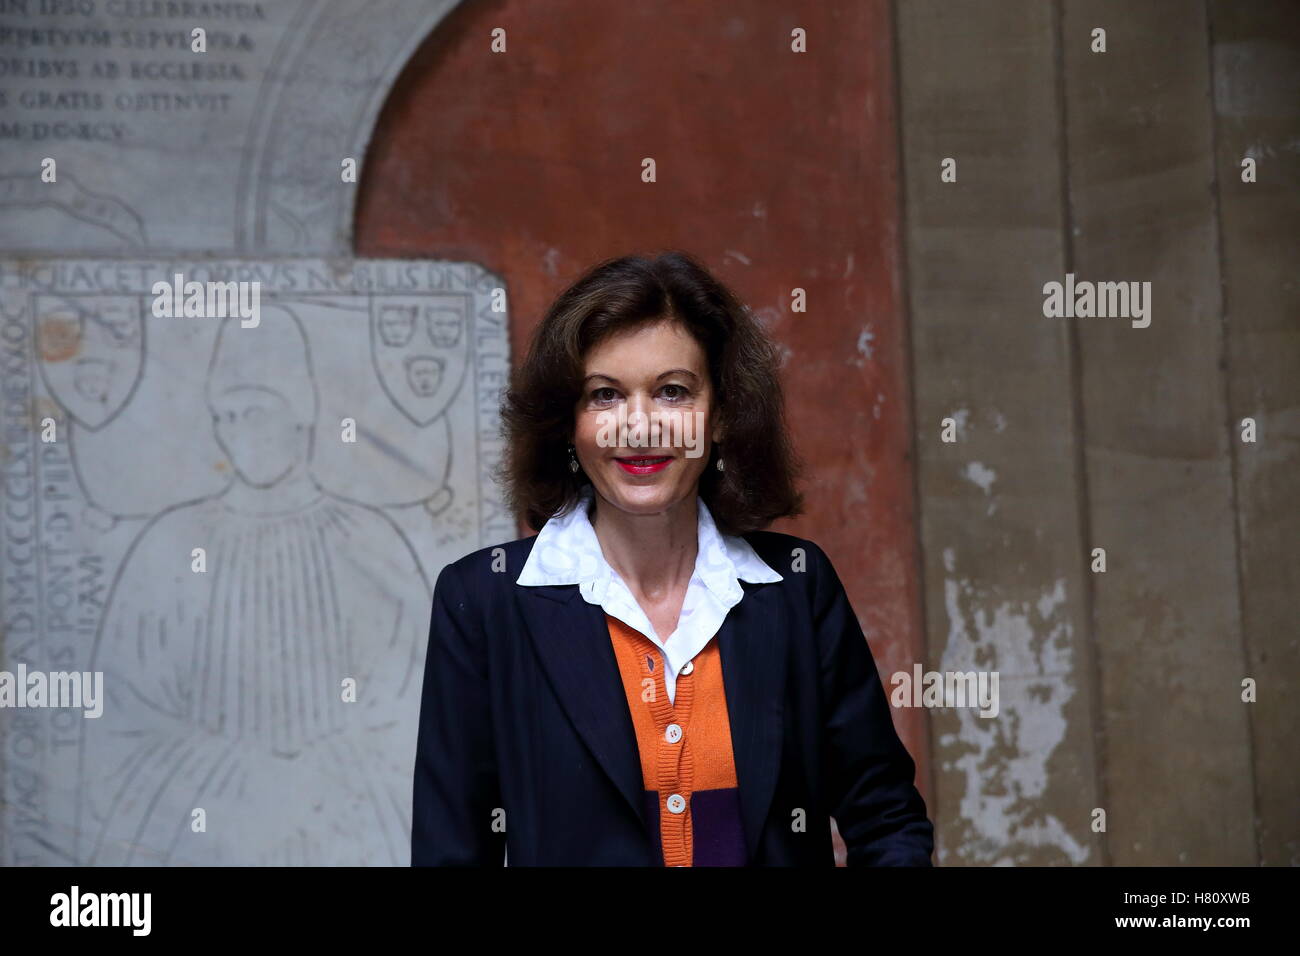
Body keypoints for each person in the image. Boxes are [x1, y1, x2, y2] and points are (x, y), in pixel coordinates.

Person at [412, 252, 934, 866]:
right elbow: (452, 852)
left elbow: (887, 819)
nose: (640, 427)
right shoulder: (484, 602)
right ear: (567, 426)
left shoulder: (796, 585)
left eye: (672, 392)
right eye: (604, 395)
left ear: (720, 417)